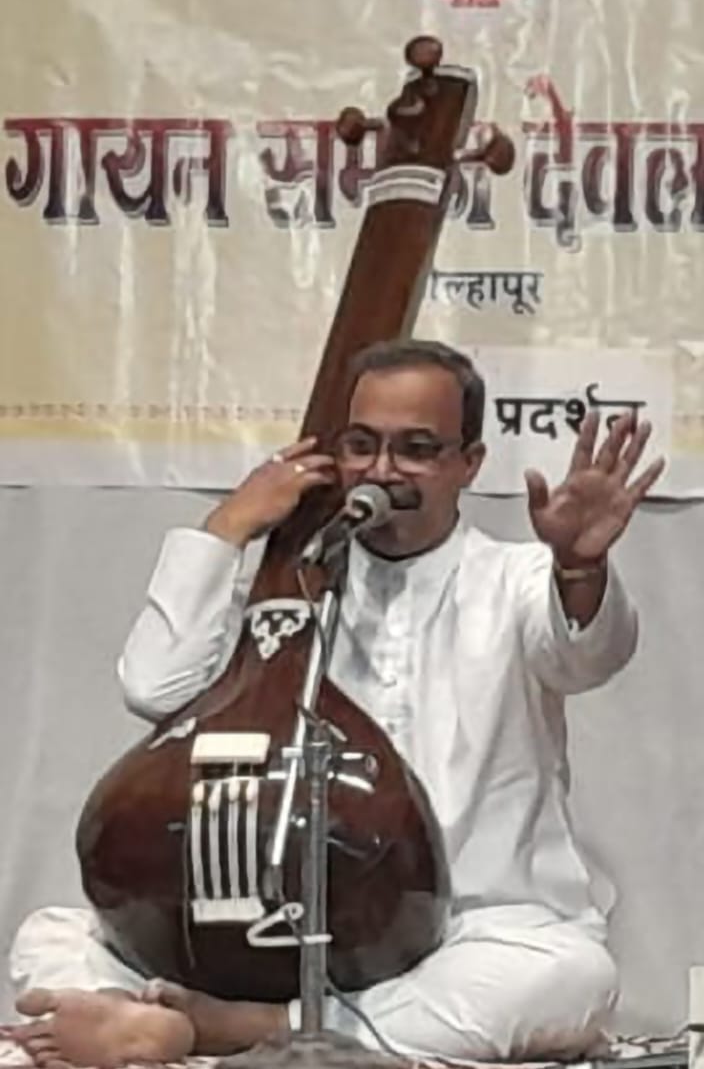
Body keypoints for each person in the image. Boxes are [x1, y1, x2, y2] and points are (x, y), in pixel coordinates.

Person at [10, 339, 664, 1069]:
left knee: (571, 977)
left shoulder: (514, 580)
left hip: (467, 931)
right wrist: (229, 526)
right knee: (52, 935)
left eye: (417, 449)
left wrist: (578, 566)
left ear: (469, 463)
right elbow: (153, 688)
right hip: (280, 929)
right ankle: (174, 1016)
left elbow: (587, 655)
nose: (383, 470)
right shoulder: (291, 586)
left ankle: (225, 1029)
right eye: (362, 445)